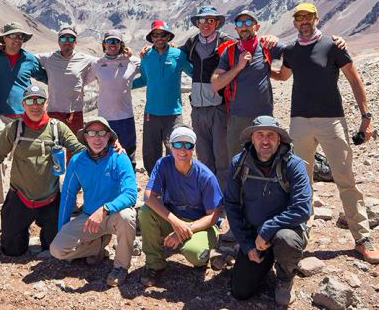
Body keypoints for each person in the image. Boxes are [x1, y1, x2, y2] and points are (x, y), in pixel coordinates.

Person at [277, 2, 379, 264]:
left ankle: (362, 238)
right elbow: (282, 75)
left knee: (345, 178)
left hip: (332, 121)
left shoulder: (333, 46)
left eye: (308, 17)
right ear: (294, 22)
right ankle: (301, 234)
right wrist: (251, 66)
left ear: (316, 18)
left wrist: (366, 117)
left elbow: (354, 79)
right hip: (299, 122)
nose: (304, 21)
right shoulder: (290, 50)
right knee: (302, 181)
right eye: (299, 17)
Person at [0, 84, 86, 256]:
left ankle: (46, 234)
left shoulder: (57, 128)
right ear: (23, 104)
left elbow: (78, 148)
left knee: (54, 249)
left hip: (51, 197)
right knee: (12, 250)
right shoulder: (14, 129)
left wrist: (103, 145)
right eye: (30, 100)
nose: (35, 105)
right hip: (20, 197)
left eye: (40, 100)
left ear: (46, 104)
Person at [225, 116, 312, 305]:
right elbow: (231, 205)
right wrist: (247, 245)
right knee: (241, 291)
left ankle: (285, 277)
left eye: (271, 135)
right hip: (254, 237)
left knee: (286, 239)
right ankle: (265, 260)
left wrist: (267, 229)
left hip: (284, 231)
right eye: (260, 135)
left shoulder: (293, 164)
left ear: (279, 139)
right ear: (252, 138)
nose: (265, 140)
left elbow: (303, 209)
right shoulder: (239, 164)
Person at [50, 117, 137, 287]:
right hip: (89, 217)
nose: (97, 138)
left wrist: (105, 209)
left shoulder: (120, 158)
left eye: (101, 133)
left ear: (108, 137)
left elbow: (131, 194)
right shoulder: (77, 161)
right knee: (57, 250)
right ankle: (98, 247)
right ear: (86, 137)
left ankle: (121, 267)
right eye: (92, 133)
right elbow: (68, 195)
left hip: (114, 216)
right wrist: (63, 229)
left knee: (128, 216)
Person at [138, 125, 223, 287]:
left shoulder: (206, 177)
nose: (182, 150)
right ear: (170, 146)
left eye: (188, 145)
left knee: (196, 254)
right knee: (145, 212)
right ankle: (154, 264)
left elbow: (213, 216)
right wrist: (176, 223)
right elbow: (149, 197)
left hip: (201, 225)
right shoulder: (163, 164)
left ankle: (200, 255)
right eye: (177, 144)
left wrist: (183, 231)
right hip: (174, 218)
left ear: (194, 147)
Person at [0, 22, 48, 231]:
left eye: (20, 37)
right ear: (4, 39)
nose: (17, 40)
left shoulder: (29, 59)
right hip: (2, 117)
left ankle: (31, 203)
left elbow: (48, 77)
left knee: (28, 160)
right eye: (12, 36)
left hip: (26, 118)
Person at [209, 10, 284, 159]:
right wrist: (238, 66)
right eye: (240, 23)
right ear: (236, 28)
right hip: (238, 118)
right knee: (238, 160)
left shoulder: (267, 47)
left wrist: (275, 39)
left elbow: (295, 53)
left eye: (249, 22)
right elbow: (215, 84)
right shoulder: (230, 52)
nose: (244, 26)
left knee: (267, 159)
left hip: (264, 117)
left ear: (257, 26)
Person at [177, 6, 233, 188]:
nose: (206, 24)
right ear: (197, 23)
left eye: (210, 20)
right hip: (198, 108)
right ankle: (209, 195)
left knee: (222, 155)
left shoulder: (226, 43)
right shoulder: (192, 42)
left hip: (219, 106)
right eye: (202, 20)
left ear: (216, 23)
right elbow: (173, 53)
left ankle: (224, 198)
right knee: (203, 154)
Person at [132, 20, 193, 176]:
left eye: (163, 35)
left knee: (175, 150)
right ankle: (155, 185)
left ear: (168, 37)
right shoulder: (146, 57)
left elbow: (195, 73)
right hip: (151, 114)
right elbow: (144, 80)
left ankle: (174, 185)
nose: (159, 38)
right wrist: (122, 85)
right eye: (156, 35)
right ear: (151, 37)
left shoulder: (178, 55)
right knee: (150, 153)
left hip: (174, 114)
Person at [88, 30, 140, 169]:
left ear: (121, 44)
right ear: (104, 44)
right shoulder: (97, 64)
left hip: (126, 117)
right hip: (105, 119)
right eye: (109, 41)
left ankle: (129, 185)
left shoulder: (132, 61)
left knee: (128, 153)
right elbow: (80, 81)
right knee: (105, 153)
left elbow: (150, 70)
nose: (112, 44)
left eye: (116, 41)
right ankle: (108, 186)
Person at [37, 26, 97, 136]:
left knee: (75, 147)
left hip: (75, 113)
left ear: (75, 42)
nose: (67, 42)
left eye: (71, 39)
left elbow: (104, 63)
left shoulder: (84, 58)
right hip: (53, 111)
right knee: (53, 146)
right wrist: (3, 48)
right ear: (59, 42)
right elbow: (26, 58)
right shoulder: (48, 58)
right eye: (64, 39)